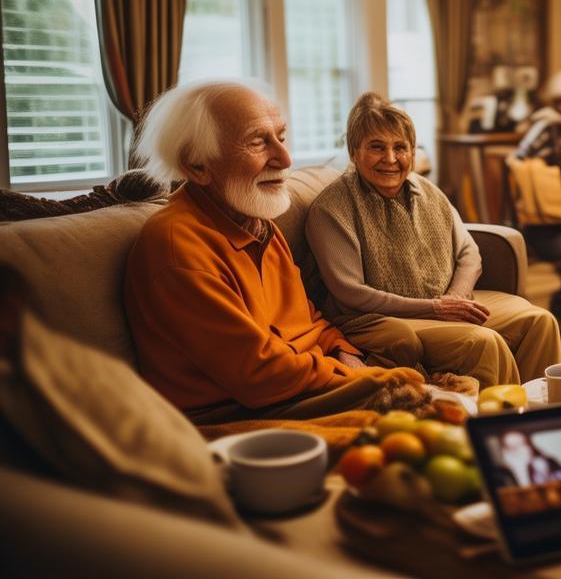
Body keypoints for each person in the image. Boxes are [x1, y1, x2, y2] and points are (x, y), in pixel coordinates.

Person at [123, 82, 427, 423]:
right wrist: (362, 378)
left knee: (443, 397)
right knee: (420, 410)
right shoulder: (177, 247)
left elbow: (307, 319)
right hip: (237, 416)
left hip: (299, 390)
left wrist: (344, 351)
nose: (285, 159)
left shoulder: (259, 225)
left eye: (280, 137)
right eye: (257, 141)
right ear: (197, 165)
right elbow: (259, 376)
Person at [307, 93, 561, 385]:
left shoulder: (426, 190)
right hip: (378, 319)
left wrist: (456, 297)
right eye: (377, 147)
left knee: (541, 321)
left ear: (412, 153)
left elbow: (469, 252)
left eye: (400, 148)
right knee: (482, 342)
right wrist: (435, 309)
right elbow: (352, 292)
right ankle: (495, 425)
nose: (390, 159)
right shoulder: (331, 208)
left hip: (442, 304)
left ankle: (543, 419)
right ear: (354, 152)